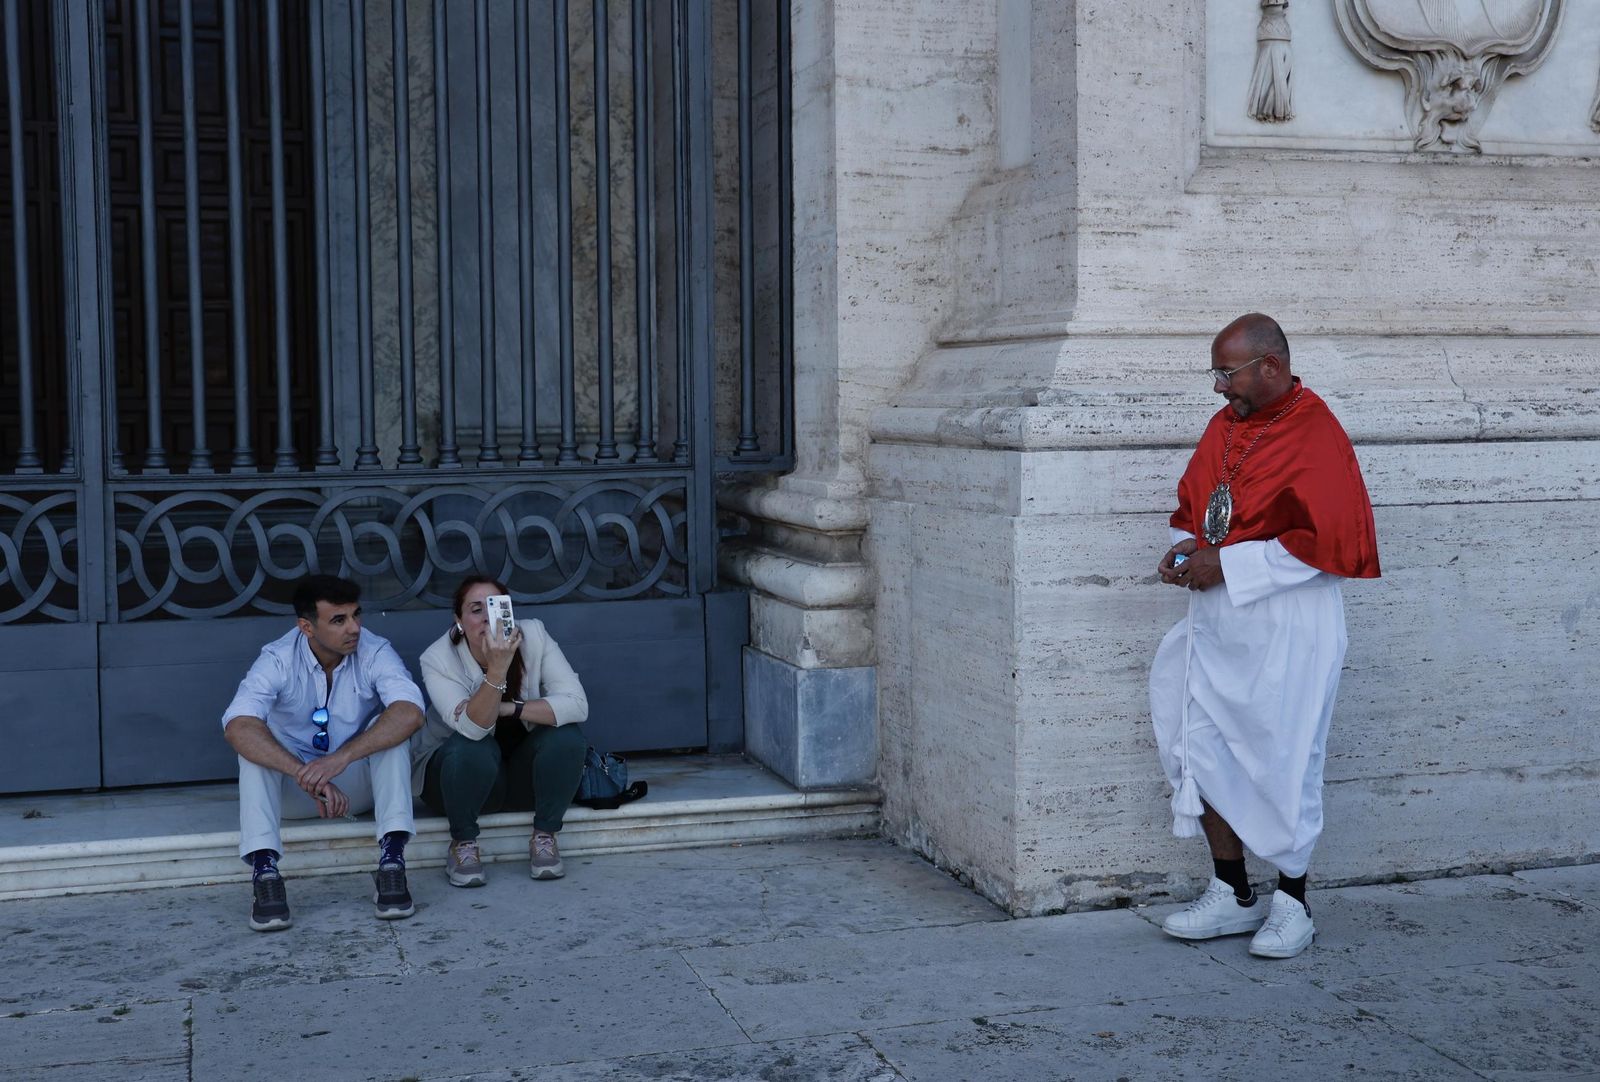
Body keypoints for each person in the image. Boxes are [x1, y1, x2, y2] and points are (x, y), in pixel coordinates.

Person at [1149, 313, 1380, 959]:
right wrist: (1187, 547)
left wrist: (1227, 563)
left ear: (1270, 366)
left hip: (1289, 627)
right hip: (1217, 622)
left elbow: (1333, 545)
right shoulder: (1226, 426)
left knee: (1284, 759)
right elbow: (1198, 506)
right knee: (1202, 746)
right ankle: (1232, 893)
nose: (1220, 389)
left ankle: (1293, 904)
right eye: (1217, 374)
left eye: (1228, 373)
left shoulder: (1317, 432)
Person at [222, 574, 426, 932]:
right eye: (338, 620)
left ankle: (392, 863)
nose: (354, 628)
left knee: (390, 730)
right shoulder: (277, 658)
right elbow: (237, 724)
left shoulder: (374, 650)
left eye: (355, 615)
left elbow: (410, 711)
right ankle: (265, 873)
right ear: (306, 627)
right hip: (295, 791)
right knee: (254, 745)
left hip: (354, 789)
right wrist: (305, 772)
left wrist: (337, 761)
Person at [412, 575, 589, 886]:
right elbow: (471, 728)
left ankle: (544, 835)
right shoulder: (438, 658)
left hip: (518, 779)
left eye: (495, 607)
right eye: (475, 609)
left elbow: (577, 705)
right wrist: (497, 668)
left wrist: (510, 708)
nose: (486, 619)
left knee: (567, 736)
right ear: (459, 621)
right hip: (454, 781)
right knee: (473, 746)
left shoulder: (534, 635)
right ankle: (462, 843)